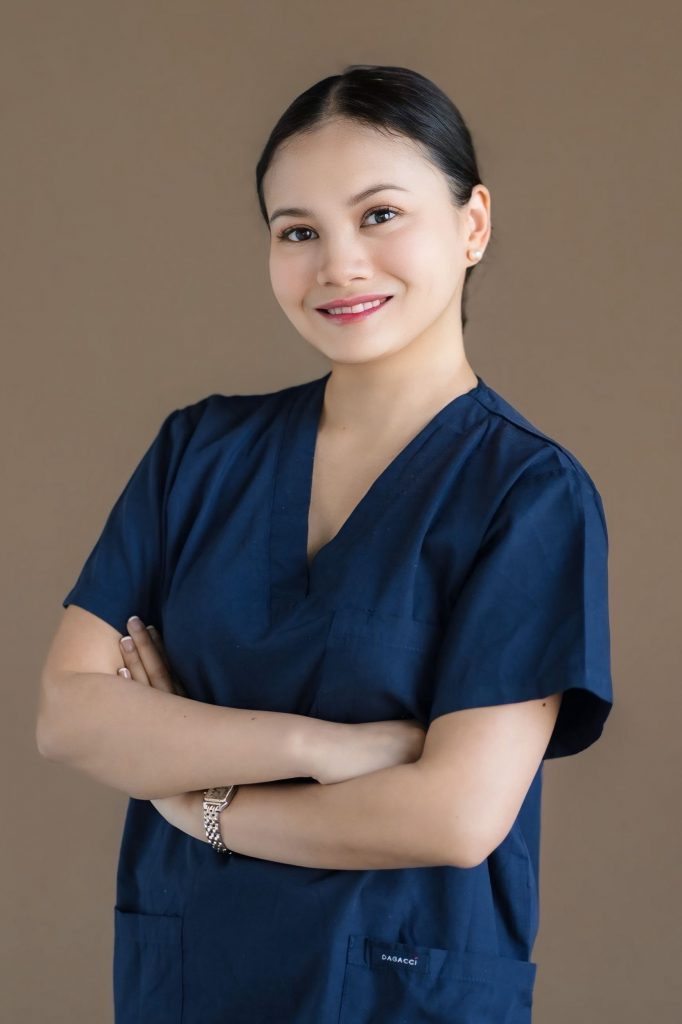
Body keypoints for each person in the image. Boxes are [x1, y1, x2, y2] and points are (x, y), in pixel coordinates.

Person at [38, 64, 613, 1023]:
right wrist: (323, 748)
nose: (339, 264)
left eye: (380, 215)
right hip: (189, 977)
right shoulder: (200, 451)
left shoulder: (526, 494)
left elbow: (456, 814)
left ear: (472, 225)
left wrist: (204, 807)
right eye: (297, 231)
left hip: (400, 992)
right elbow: (70, 714)